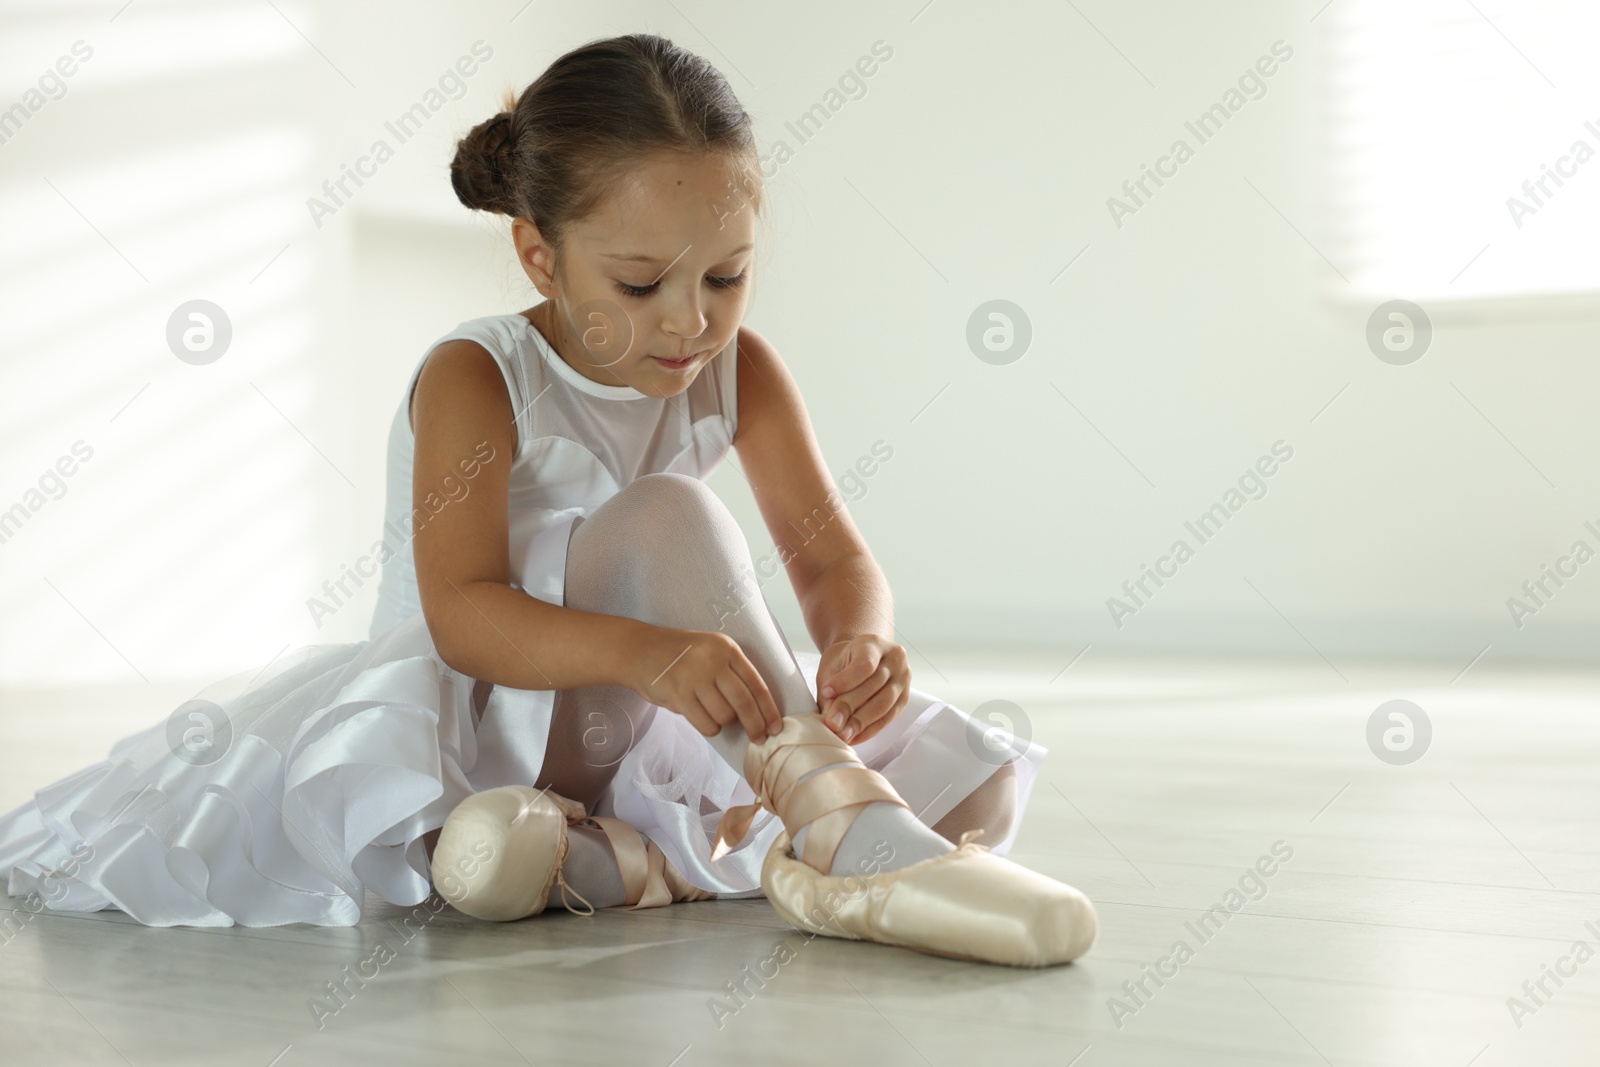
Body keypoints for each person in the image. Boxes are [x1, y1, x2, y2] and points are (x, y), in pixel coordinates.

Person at [0, 33, 1094, 967]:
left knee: (981, 780)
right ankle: (835, 830)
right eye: (639, 283)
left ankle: (629, 860)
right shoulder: (480, 375)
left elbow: (827, 560)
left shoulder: (741, 370)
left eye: (725, 276)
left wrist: (860, 640)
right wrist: (646, 654)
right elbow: (463, 611)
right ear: (539, 257)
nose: (689, 324)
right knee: (663, 518)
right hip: (489, 716)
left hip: (651, 720)